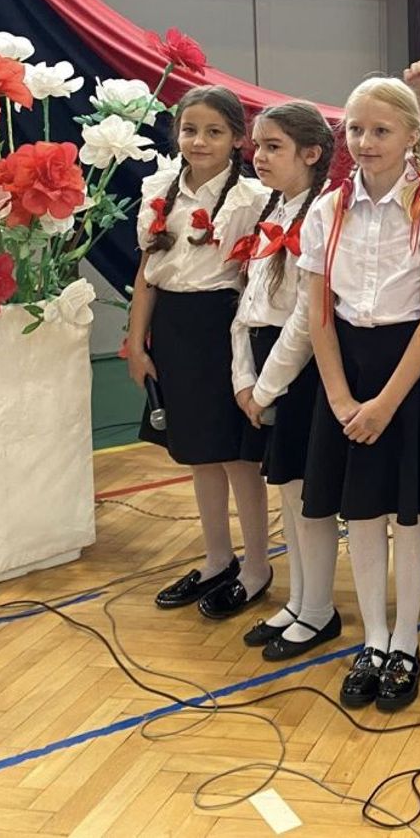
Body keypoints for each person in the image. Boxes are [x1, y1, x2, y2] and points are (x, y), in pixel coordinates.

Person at [297, 76, 420, 712]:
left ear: (411, 136)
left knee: (406, 513)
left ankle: (407, 641)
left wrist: (387, 403)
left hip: (405, 374)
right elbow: (318, 314)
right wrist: (341, 400)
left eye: (381, 130)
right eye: (356, 129)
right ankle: (372, 638)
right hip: (345, 369)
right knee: (360, 512)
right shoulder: (326, 211)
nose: (365, 141)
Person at [127, 87, 271, 614]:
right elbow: (147, 274)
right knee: (196, 454)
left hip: (225, 327)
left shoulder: (252, 198)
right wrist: (136, 342)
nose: (199, 141)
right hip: (173, 330)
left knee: (237, 456)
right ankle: (217, 558)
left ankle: (257, 566)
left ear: (237, 139)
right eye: (190, 130)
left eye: (214, 132)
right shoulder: (159, 188)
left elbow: (257, 278)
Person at [228, 102, 345, 659]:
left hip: (298, 372)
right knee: (286, 492)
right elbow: (248, 302)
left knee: (306, 496)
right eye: (257, 146)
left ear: (312, 153)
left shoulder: (321, 215)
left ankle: (319, 609)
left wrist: (267, 385)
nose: (259, 156)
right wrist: (242, 376)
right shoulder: (273, 207)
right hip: (263, 366)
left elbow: (305, 315)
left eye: (273, 146)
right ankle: (299, 600)